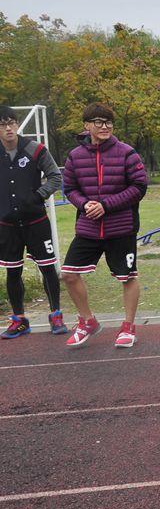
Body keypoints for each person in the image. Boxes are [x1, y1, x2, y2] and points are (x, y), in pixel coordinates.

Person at [60, 103, 148, 349]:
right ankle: (87, 321)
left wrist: (106, 205)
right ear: (86, 126)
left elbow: (139, 187)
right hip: (88, 228)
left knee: (127, 276)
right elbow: (70, 188)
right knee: (68, 274)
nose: (104, 126)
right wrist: (84, 203)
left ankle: (128, 327)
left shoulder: (127, 153)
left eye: (108, 122)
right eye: (98, 122)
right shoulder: (75, 156)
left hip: (121, 227)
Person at [0, 105, 66, 338]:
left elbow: (55, 176)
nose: (8, 128)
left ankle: (56, 315)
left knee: (48, 268)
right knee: (12, 272)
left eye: (11, 123)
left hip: (36, 222)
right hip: (7, 226)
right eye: (3, 124)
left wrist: (38, 195)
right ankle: (19, 320)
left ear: (17, 124)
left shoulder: (35, 149)